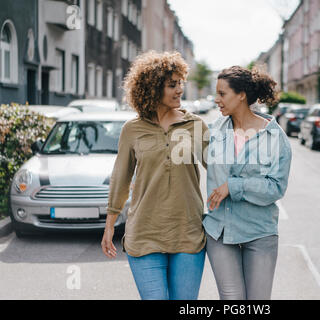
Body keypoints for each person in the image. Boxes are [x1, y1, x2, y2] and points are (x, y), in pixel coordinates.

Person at [101, 51, 209, 300]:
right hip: (145, 233)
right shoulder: (132, 129)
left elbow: (218, 169)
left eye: (180, 83)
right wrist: (109, 226)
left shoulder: (195, 125)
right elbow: (120, 179)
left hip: (188, 233)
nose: (179, 89)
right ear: (152, 87)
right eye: (172, 85)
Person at [203, 65, 292, 300]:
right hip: (219, 230)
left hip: (259, 231)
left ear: (241, 94)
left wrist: (233, 186)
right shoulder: (213, 132)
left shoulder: (274, 137)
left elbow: (276, 187)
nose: (217, 99)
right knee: (232, 300)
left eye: (222, 94)